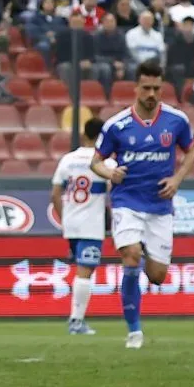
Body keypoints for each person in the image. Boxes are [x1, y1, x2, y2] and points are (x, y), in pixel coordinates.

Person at [91, 60, 194, 349]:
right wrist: (110, 173)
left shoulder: (177, 121)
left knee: (158, 276)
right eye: (146, 88)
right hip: (127, 201)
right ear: (136, 88)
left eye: (156, 88)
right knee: (130, 255)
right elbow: (96, 162)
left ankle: (146, 250)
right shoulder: (117, 125)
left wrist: (177, 179)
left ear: (162, 89)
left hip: (160, 207)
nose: (151, 93)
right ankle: (134, 331)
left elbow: (191, 152)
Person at [50, 117, 110, 336]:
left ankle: (77, 319)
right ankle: (76, 321)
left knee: (82, 269)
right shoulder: (105, 162)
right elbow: (113, 196)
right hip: (91, 224)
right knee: (85, 271)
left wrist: (64, 217)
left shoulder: (67, 160)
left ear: (84, 134)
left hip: (71, 223)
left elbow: (55, 193)